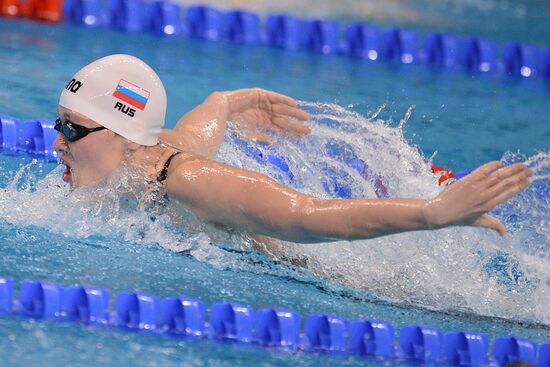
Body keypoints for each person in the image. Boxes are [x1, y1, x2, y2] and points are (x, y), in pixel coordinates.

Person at [54, 54, 532, 243]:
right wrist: (229, 101)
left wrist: (432, 212)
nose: (57, 143)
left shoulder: (191, 181)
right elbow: (201, 126)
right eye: (60, 124)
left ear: (122, 134)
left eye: (73, 129)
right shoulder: (148, 151)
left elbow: (310, 214)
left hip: (320, 270)